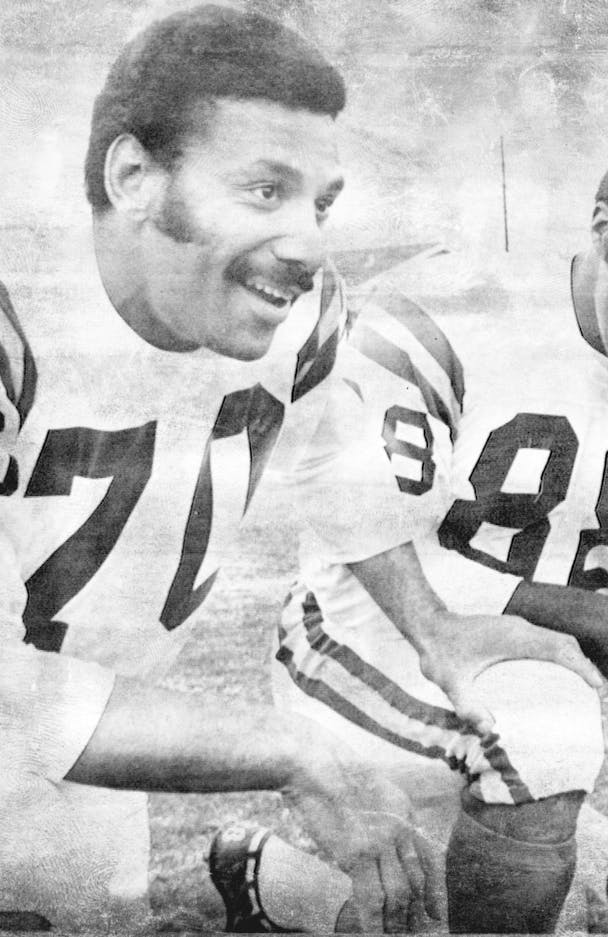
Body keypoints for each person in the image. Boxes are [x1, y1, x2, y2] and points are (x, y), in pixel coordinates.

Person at [216, 123, 608, 934]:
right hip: (359, 644)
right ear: (603, 226)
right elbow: (375, 538)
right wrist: (593, 613)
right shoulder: (454, 313)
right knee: (547, 735)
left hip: (516, 692)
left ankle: (266, 877)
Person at [0, 5, 448, 932]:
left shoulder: (300, 320)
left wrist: (435, 625)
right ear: (133, 177)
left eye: (319, 203)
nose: (310, 242)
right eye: (262, 191)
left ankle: (246, 880)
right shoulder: (19, 311)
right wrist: (291, 750)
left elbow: (332, 460)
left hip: (94, 735)